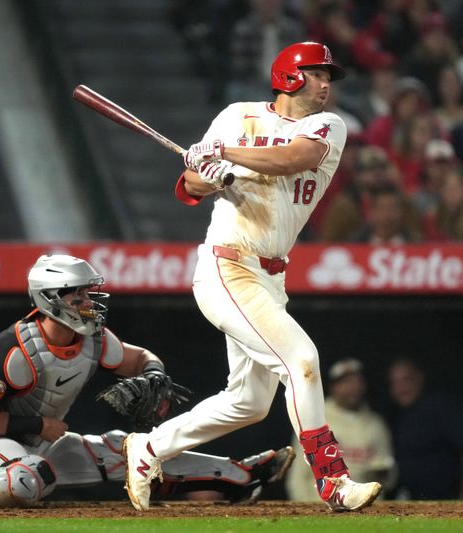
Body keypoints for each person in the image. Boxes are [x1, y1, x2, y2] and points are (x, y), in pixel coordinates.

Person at [122, 41, 383, 513]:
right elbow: (190, 185)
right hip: (229, 265)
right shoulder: (236, 114)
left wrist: (227, 154)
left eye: (329, 76)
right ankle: (333, 481)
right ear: (289, 76)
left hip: (271, 277)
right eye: (317, 73)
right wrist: (212, 174)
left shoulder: (328, 126)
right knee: (302, 359)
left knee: (248, 402)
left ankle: (149, 448)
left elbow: (293, 158)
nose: (326, 83)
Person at [0, 255, 295, 508]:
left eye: (88, 294)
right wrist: (35, 426)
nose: (88, 303)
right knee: (26, 480)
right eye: (78, 296)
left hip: (42, 442)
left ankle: (237, 476)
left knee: (124, 452)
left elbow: (140, 358)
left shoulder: (92, 339)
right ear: (52, 298)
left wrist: (153, 375)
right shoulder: (11, 349)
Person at [286, 358, 396, 501]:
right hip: (323, 509)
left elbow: (389, 478)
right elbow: (297, 477)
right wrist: (306, 511)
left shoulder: (376, 424)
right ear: (332, 387)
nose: (352, 387)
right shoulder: (315, 420)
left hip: (366, 510)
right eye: (345, 382)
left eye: (357, 381)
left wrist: (383, 474)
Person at [388, 358, 463, 500]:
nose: (401, 388)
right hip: (412, 501)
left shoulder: (439, 407)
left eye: (407, 380)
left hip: (445, 501)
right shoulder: (396, 415)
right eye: (395, 383)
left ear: (419, 378)